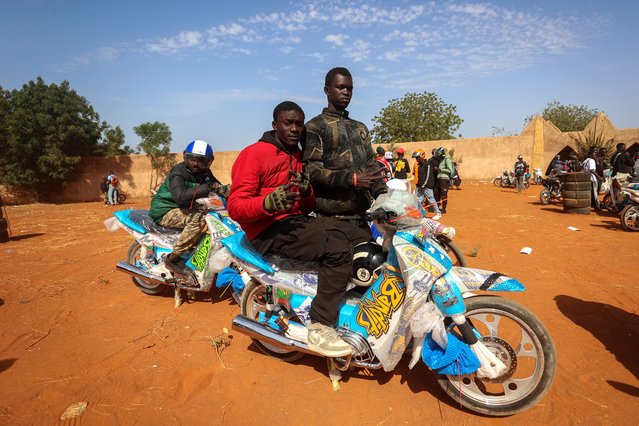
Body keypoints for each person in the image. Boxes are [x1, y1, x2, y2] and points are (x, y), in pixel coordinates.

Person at [227, 101, 370, 357]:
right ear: (275, 125)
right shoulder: (254, 154)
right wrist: (267, 203)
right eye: (288, 123)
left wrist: (306, 192)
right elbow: (235, 206)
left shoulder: (296, 156)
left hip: (294, 223)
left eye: (299, 123)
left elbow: (304, 207)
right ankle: (320, 325)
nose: (295, 129)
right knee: (337, 245)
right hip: (267, 231)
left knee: (360, 235)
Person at [303, 67, 386, 230]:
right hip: (330, 221)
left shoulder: (360, 128)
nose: (346, 92)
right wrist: (351, 179)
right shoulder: (315, 127)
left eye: (350, 88)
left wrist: (384, 195)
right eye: (341, 87)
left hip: (362, 218)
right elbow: (311, 171)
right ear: (327, 90)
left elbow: (371, 165)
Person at [149, 140, 227, 276]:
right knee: (200, 217)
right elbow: (180, 196)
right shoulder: (178, 172)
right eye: (192, 159)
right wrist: (208, 188)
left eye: (202, 161)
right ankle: (173, 258)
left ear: (210, 161)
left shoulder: (205, 173)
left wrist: (230, 192)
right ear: (185, 156)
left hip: (184, 208)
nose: (196, 164)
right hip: (165, 210)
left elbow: (218, 187)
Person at [413, 149, 441, 220]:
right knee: (418, 200)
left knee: (431, 199)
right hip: (421, 186)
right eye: (416, 158)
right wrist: (418, 185)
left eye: (417, 157)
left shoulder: (427, 164)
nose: (416, 159)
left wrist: (423, 185)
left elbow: (428, 176)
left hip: (427, 186)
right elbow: (420, 177)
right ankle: (421, 213)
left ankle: (438, 213)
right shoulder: (419, 165)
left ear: (422, 156)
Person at [435, 147, 454, 212]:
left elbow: (450, 170)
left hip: (444, 179)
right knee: (437, 193)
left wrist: (440, 169)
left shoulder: (447, 159)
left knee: (443, 194)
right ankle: (437, 207)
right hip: (439, 178)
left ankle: (444, 208)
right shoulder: (442, 159)